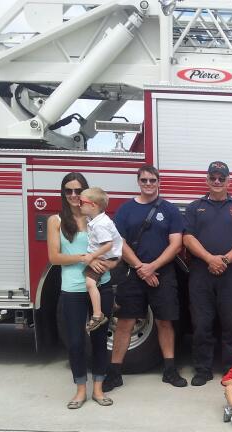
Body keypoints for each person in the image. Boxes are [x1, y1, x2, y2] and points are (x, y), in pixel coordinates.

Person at [105, 165, 187, 391]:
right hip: (132, 273)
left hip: (163, 273)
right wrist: (141, 267)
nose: (148, 184)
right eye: (144, 180)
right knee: (125, 322)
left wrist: (153, 267)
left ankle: (169, 370)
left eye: (152, 180)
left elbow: (176, 244)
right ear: (138, 182)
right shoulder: (125, 210)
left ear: (159, 182)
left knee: (164, 321)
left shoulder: (169, 210)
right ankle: (114, 373)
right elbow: (119, 243)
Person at [46, 173, 117, 409]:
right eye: (69, 191)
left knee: (100, 340)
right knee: (76, 342)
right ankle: (80, 390)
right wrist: (86, 259)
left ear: (87, 193)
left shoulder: (97, 219)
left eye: (78, 191)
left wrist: (107, 264)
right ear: (63, 193)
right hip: (73, 290)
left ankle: (98, 389)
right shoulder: (55, 221)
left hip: (102, 286)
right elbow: (54, 257)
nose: (74, 195)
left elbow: (115, 250)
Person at [183, 161, 232, 386]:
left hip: (231, 273)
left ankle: (231, 369)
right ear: (206, 180)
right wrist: (209, 259)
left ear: (228, 181)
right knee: (202, 322)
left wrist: (224, 260)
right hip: (201, 272)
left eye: (221, 178)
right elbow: (187, 238)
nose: (216, 182)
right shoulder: (195, 207)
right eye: (212, 178)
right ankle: (203, 369)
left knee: (230, 322)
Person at [78, 187, 122, 332]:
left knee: (90, 284)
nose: (79, 205)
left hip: (106, 256)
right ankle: (112, 304)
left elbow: (108, 245)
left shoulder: (100, 225)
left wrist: (92, 256)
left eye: (81, 202)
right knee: (94, 281)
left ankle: (98, 315)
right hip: (108, 255)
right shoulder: (96, 220)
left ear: (93, 205)